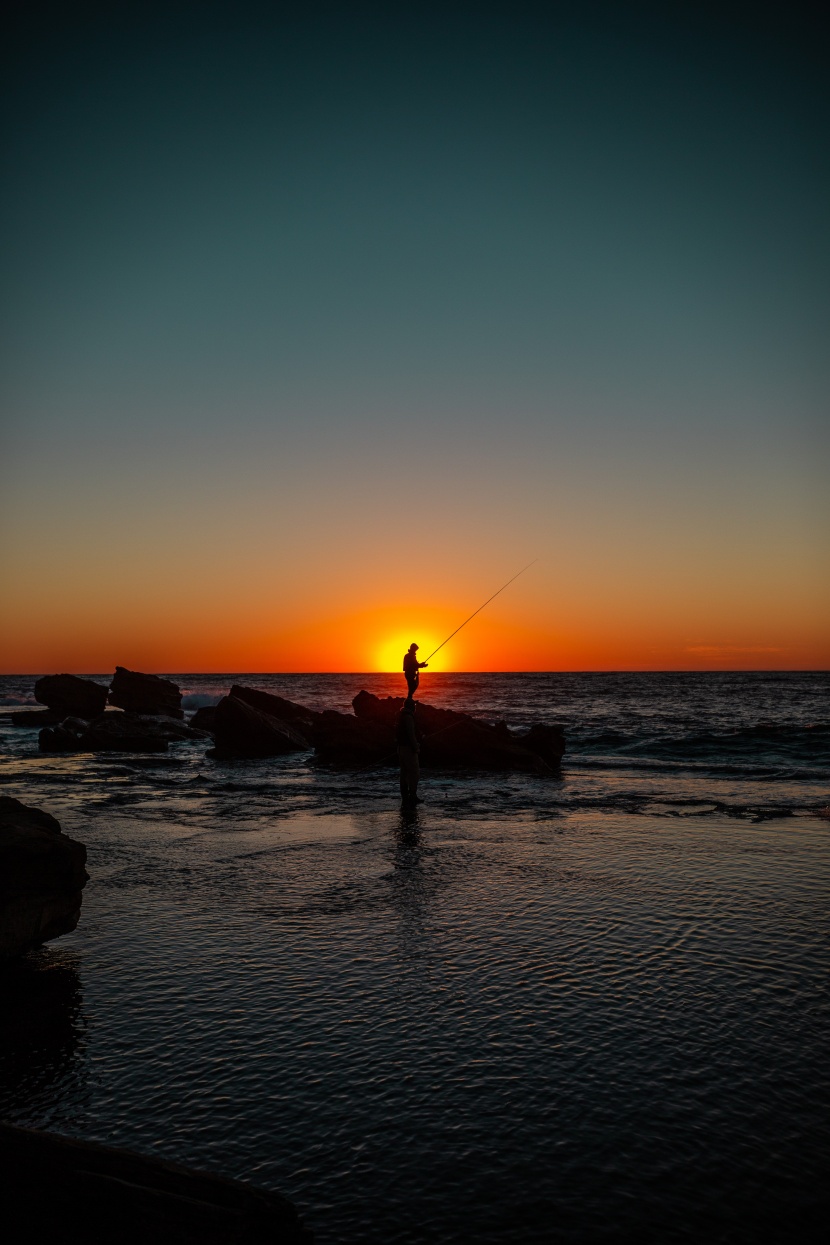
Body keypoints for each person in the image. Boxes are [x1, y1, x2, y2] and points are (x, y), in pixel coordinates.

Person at [396, 697, 422, 805]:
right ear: (411, 706)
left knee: (404, 773)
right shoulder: (408, 717)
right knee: (414, 773)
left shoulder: (401, 716)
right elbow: (411, 735)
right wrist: (416, 747)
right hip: (408, 750)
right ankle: (412, 796)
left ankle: (405, 797)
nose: (415, 707)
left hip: (400, 748)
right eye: (414, 705)